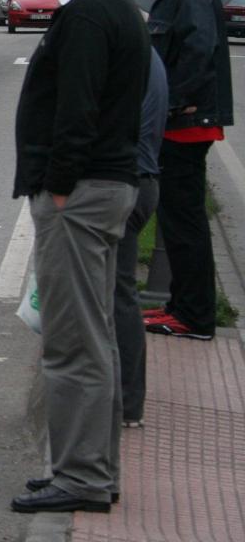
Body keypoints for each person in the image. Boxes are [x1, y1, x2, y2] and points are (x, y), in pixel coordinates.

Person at [10, 0, 150, 514]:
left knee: (73, 342)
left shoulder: (91, 12)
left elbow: (78, 108)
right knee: (93, 336)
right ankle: (90, 469)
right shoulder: (113, 3)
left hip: (84, 191)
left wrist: (60, 187)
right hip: (102, 185)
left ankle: (82, 477)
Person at [144, 0, 234, 341]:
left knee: (184, 223)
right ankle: (183, 305)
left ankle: (194, 315)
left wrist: (173, 103)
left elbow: (198, 51)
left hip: (185, 125)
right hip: (183, 123)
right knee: (181, 220)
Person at [115, 48, 166, 427]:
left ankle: (124, 403)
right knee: (120, 294)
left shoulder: (129, 57)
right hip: (142, 180)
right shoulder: (148, 55)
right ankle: (127, 402)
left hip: (125, 183)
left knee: (115, 297)